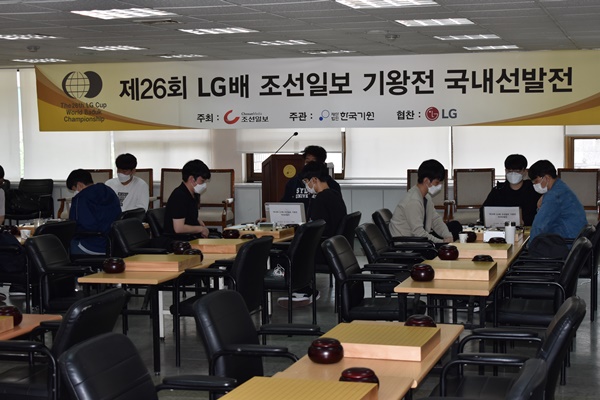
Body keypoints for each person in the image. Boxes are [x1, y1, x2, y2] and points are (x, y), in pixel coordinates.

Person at [277, 161, 347, 308]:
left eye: (306, 181)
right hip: (334, 247)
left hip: (323, 249)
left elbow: (314, 228)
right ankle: (303, 289)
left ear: (314, 180)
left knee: (285, 252)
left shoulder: (320, 199)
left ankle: (302, 290)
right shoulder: (334, 195)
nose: (306, 186)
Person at [390, 159, 460, 244]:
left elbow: (435, 220)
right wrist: (442, 242)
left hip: (420, 238)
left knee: (455, 226)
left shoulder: (426, 197)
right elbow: (419, 234)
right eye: (437, 182)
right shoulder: (413, 201)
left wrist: (448, 236)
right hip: (410, 245)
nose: (439, 186)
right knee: (445, 245)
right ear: (426, 181)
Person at [528, 160, 587, 242]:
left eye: (536, 181)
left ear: (546, 178)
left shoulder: (553, 196)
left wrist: (529, 246)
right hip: (575, 239)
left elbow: (539, 226)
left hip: (567, 242)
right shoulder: (560, 188)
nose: (534, 185)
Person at [66, 169, 121, 255]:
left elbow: (75, 225)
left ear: (79, 185)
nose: (75, 193)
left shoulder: (80, 198)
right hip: (115, 243)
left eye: (74, 190)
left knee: (65, 245)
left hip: (93, 246)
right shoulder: (108, 190)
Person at [479, 154, 541, 226]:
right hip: (501, 229)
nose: (513, 174)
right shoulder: (498, 191)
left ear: (524, 171)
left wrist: (524, 221)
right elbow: (484, 212)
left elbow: (540, 214)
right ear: (505, 171)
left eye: (517, 171)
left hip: (528, 229)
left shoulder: (534, 190)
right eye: (510, 171)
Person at [280, 145, 341, 212]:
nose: (309, 165)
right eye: (307, 162)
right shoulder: (293, 182)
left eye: (313, 162)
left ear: (322, 163)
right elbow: (285, 205)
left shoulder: (331, 185)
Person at [163, 159, 211, 239]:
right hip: (178, 241)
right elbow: (179, 228)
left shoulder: (193, 194)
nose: (204, 185)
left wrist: (198, 221)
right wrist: (201, 229)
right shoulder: (179, 196)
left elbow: (188, 214)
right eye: (202, 181)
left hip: (190, 237)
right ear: (192, 179)